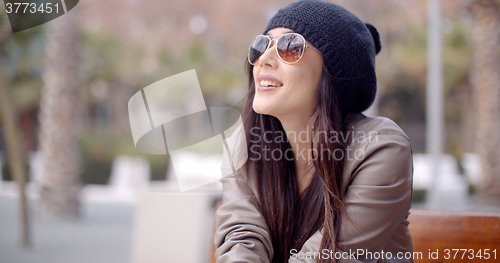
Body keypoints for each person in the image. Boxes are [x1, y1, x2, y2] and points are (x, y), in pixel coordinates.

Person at [214, 0, 414, 262]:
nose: (264, 59)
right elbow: (242, 238)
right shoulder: (243, 147)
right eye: (262, 45)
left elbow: (328, 256)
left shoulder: (381, 147)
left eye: (290, 46)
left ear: (333, 74)